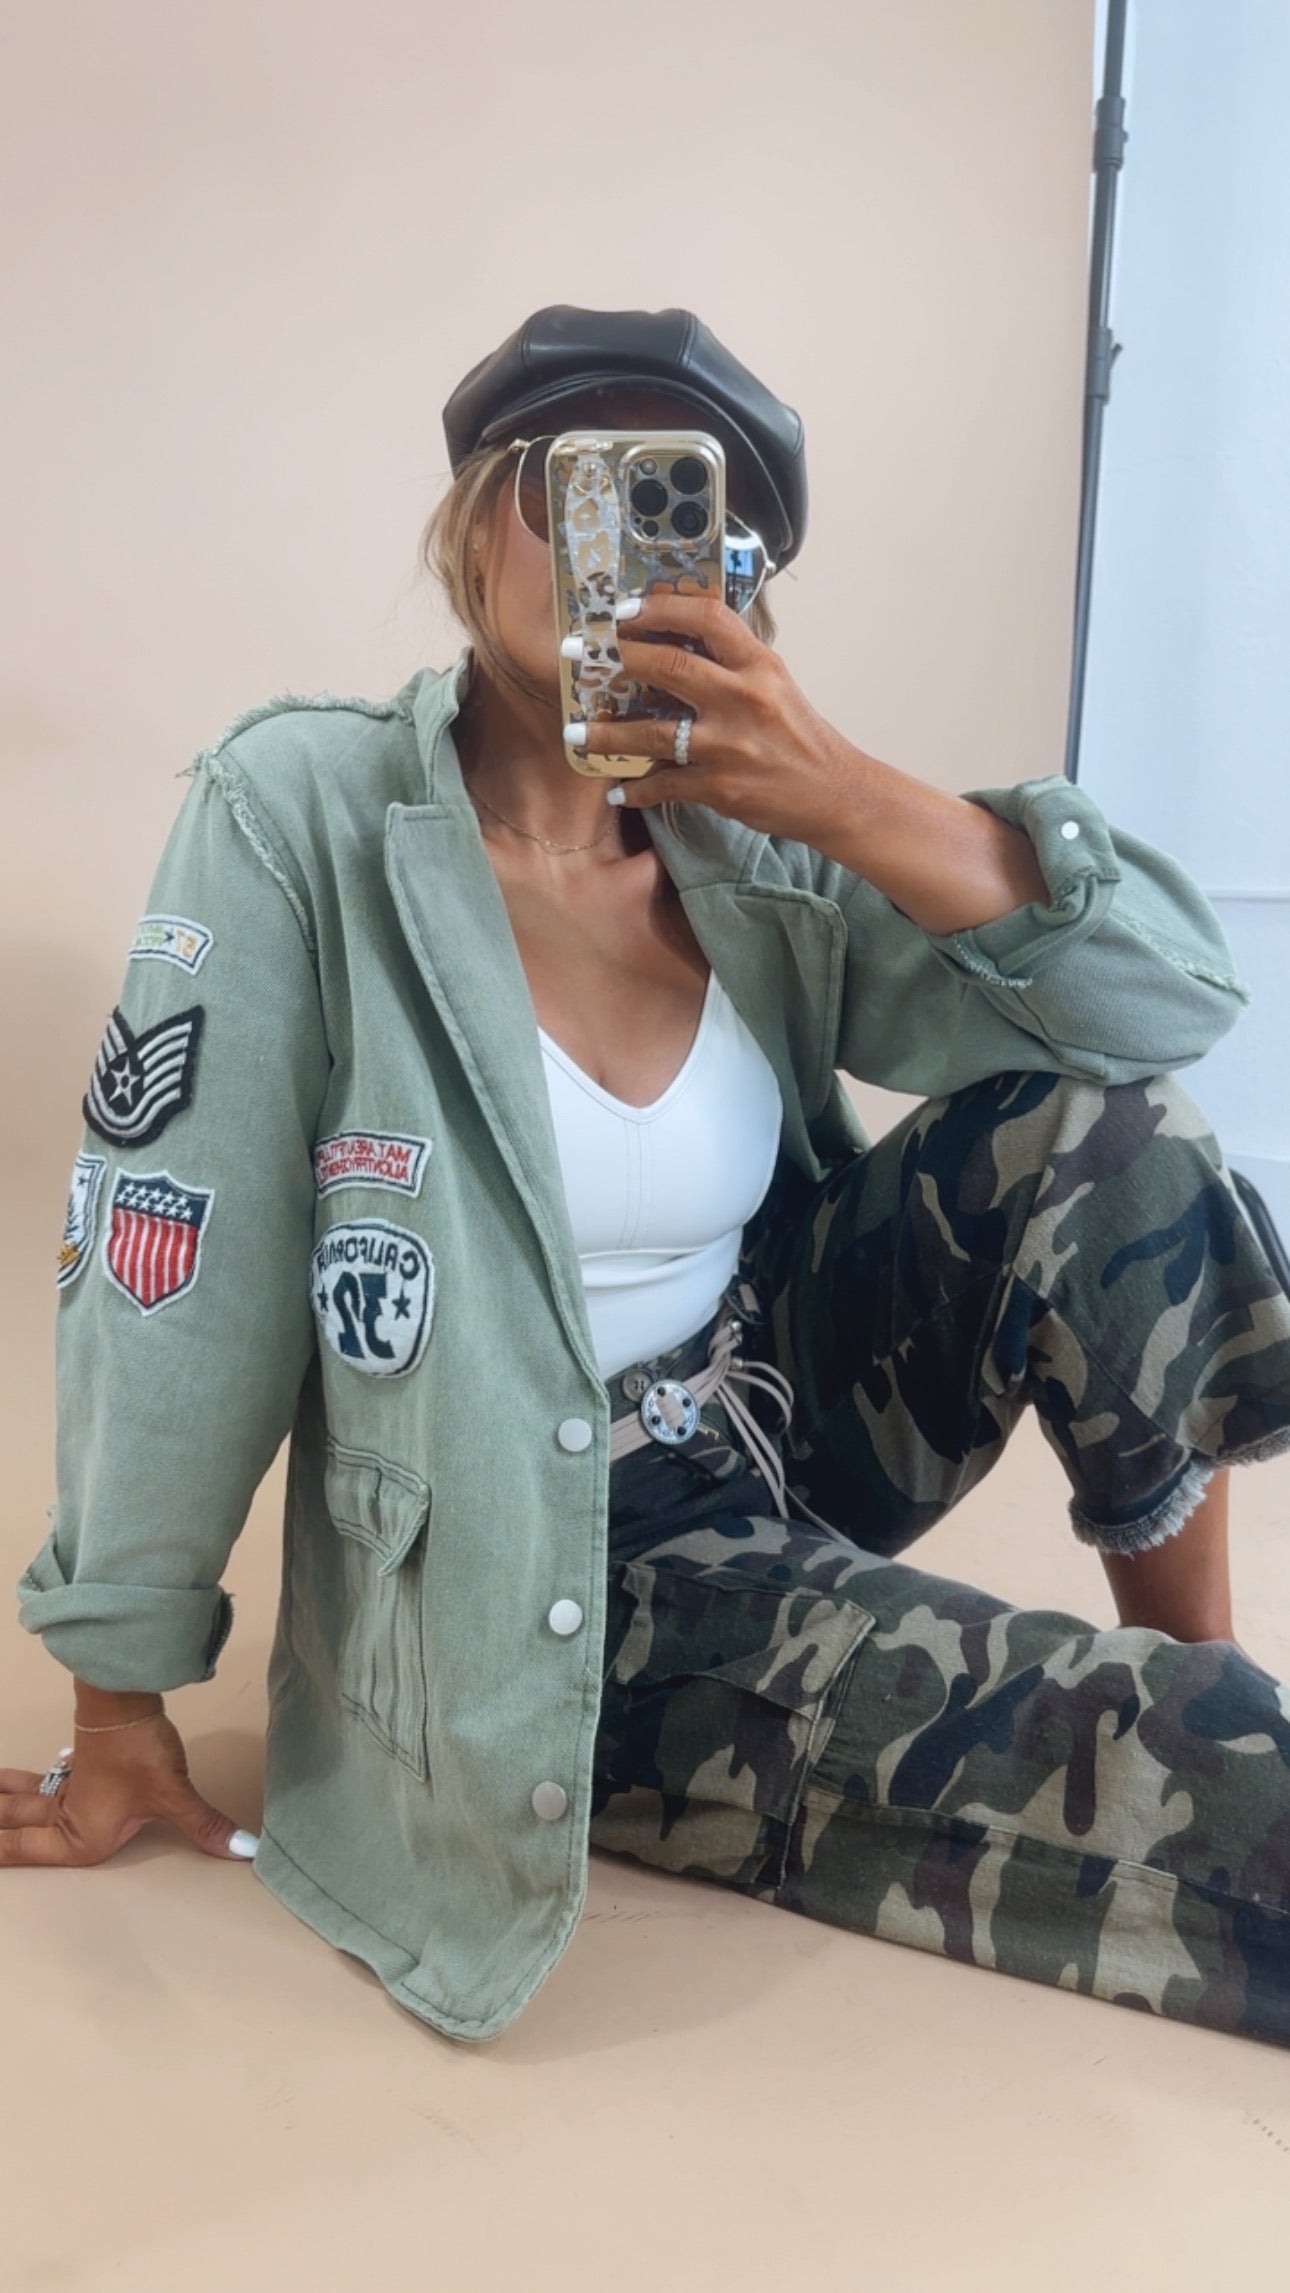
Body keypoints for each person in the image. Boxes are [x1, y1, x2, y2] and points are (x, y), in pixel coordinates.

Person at [7, 304, 1290, 2050]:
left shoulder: (751, 847)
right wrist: (118, 1703)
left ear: (737, 578)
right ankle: (1208, 1731)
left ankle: (1202, 1667)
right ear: (481, 517)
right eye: (569, 482)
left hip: (770, 1422)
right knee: (1211, 1782)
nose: (614, 543)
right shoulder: (301, 813)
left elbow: (1157, 1006)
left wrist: (841, 792)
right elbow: (177, 1264)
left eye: (681, 508)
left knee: (1104, 1128)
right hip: (540, 1565)